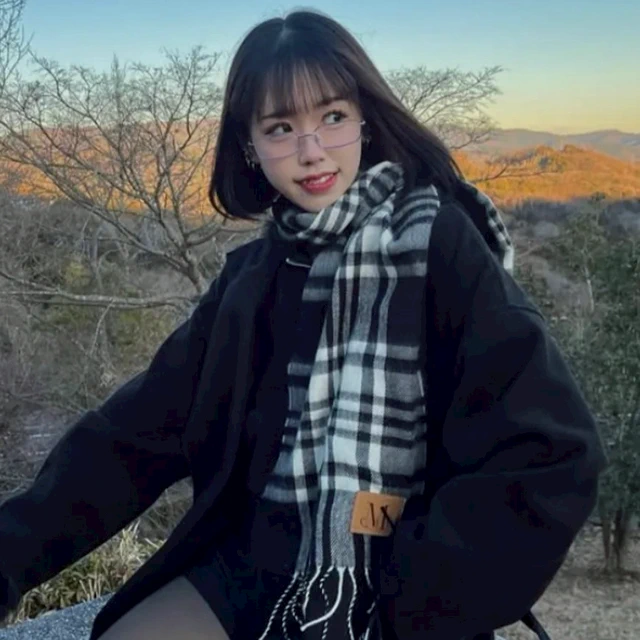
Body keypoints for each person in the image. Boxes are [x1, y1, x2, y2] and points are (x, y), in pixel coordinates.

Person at [0, 9, 606, 640]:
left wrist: (416, 595)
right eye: (281, 127)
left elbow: (552, 453)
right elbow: (131, 437)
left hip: (394, 581)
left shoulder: (438, 248)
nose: (311, 150)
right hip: (248, 569)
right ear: (250, 146)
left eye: (333, 117)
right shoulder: (252, 279)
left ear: (365, 120)